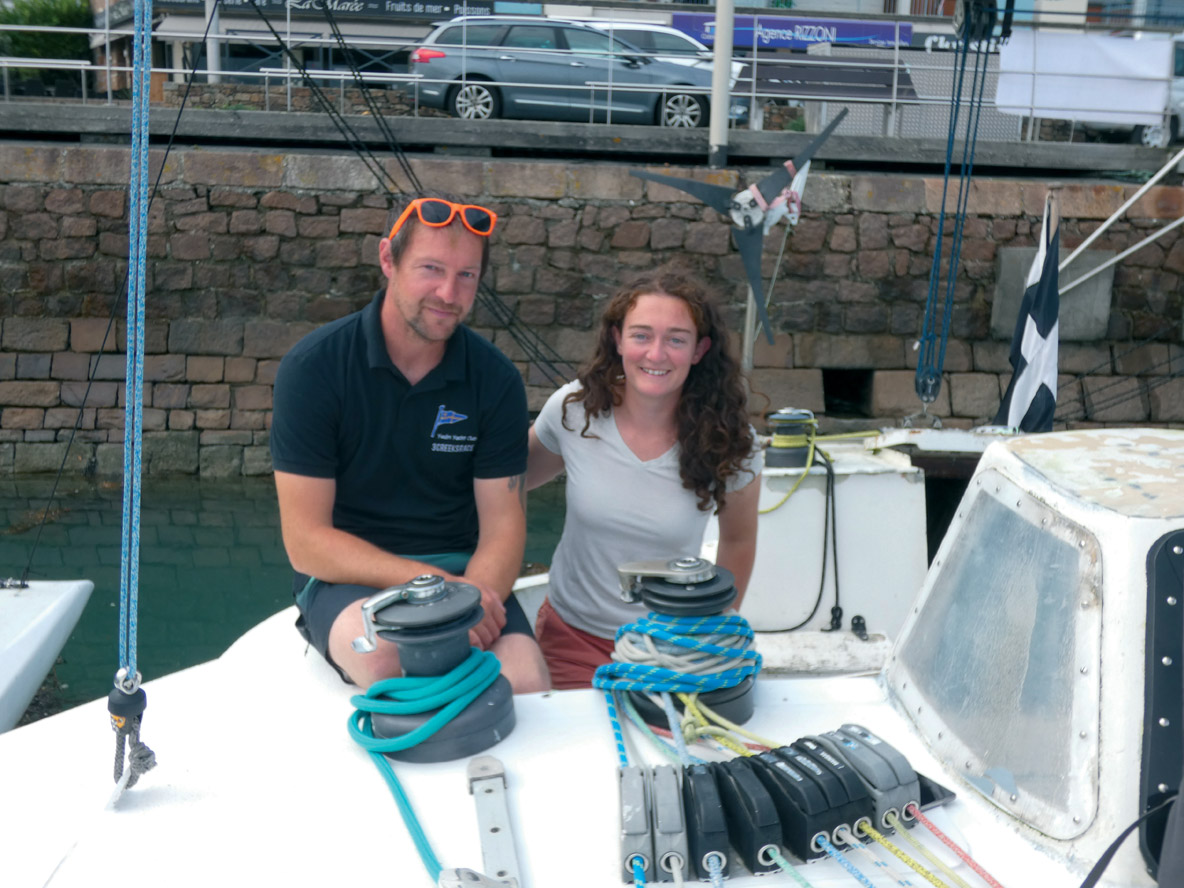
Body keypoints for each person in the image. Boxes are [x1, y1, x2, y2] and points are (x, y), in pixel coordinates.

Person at [270, 192, 550, 693]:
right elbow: (305, 540)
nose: (448, 291)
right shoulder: (314, 369)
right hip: (349, 579)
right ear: (387, 259)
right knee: (387, 659)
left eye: (467, 275)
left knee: (524, 678)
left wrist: (474, 596)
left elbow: (504, 527)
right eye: (431, 268)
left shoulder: (496, 380)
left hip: (466, 576)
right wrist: (433, 590)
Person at [525, 266, 763, 689]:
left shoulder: (733, 442)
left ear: (699, 350)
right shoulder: (573, 411)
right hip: (570, 639)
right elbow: (508, 482)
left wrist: (712, 634)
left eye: (676, 339)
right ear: (617, 339)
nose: (656, 354)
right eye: (641, 335)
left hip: (671, 646)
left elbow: (739, 541)